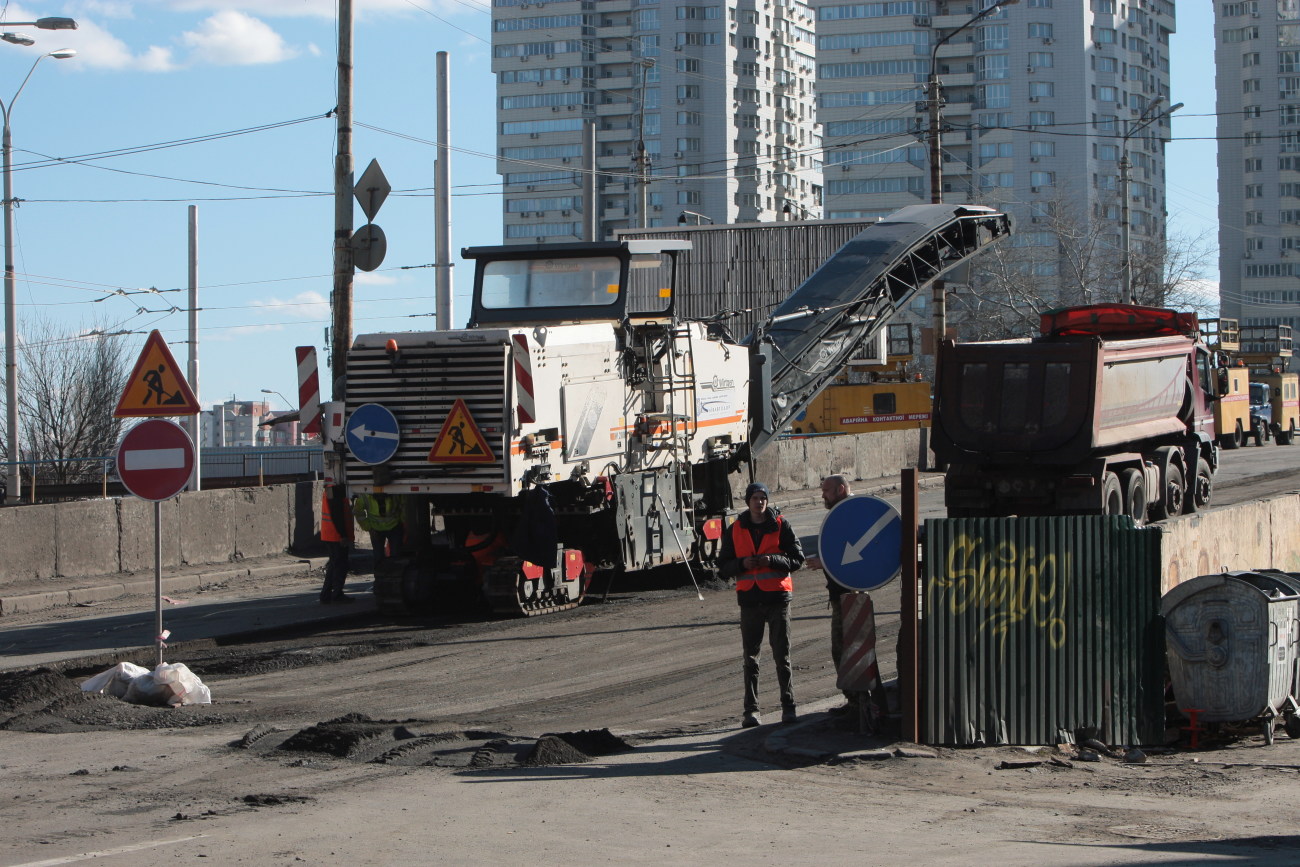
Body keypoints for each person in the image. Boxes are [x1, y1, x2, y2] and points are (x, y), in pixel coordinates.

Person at [718, 481, 804, 728]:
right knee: (751, 659)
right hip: (750, 601)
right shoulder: (736, 529)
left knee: (782, 657)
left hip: (777, 598)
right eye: (755, 498)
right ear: (748, 501)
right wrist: (742, 564)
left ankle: (789, 707)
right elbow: (723, 566)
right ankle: (751, 711)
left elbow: (797, 559)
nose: (759, 502)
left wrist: (772, 560)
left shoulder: (780, 524)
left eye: (763, 498)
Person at [804, 474, 857, 714]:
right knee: (847, 648)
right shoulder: (842, 512)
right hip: (841, 593)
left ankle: (858, 701)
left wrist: (823, 563)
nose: (823, 495)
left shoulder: (849, 512)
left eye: (826, 490)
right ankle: (857, 700)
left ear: (841, 489)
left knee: (844, 649)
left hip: (850, 593)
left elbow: (856, 552)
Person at [319, 484, 354, 604]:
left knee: (334, 565)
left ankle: (326, 594)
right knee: (340, 565)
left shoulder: (331, 489)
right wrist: (343, 535)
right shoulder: (335, 489)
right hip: (336, 536)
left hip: (331, 534)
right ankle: (337, 594)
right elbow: (337, 514)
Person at [353, 492, 403, 566]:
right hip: (388, 527)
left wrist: (368, 527)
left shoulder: (365, 495)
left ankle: (383, 574)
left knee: (380, 557)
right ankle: (389, 574)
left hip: (383, 528)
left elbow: (358, 512)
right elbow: (403, 506)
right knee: (392, 557)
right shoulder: (394, 493)